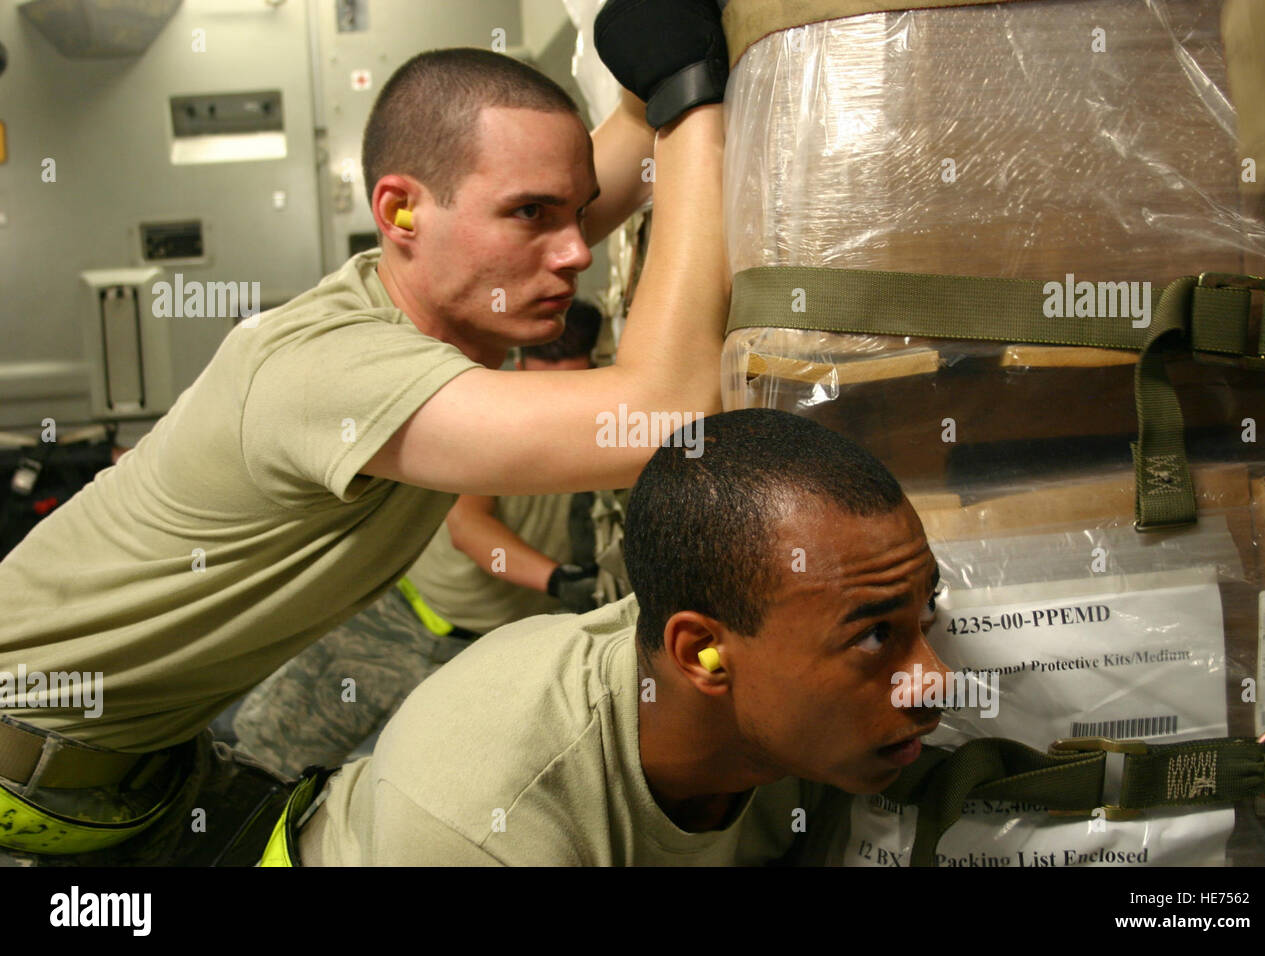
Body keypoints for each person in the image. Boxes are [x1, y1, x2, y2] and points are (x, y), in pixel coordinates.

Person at [0, 0, 731, 865]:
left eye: (576, 213)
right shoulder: (333, 371)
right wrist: (697, 97)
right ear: (400, 212)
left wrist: (654, 103)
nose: (574, 251)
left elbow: (569, 190)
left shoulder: (439, 291)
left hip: (138, 773)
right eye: (534, 215)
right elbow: (665, 413)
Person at [284, 408, 948, 866]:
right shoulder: (485, 812)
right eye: (872, 638)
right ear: (700, 654)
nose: (935, 679)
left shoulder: (811, 729)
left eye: (924, 616)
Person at [231, 300, 618, 778]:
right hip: (395, 624)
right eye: (547, 372)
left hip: (486, 655)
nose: (559, 388)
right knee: (269, 761)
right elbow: (470, 529)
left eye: (573, 375)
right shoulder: (496, 417)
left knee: (448, 788)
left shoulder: (601, 424)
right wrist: (558, 579)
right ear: (521, 363)